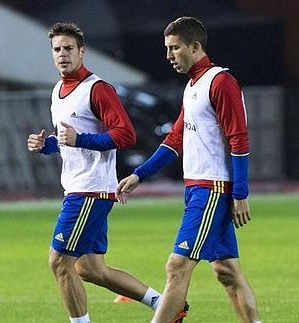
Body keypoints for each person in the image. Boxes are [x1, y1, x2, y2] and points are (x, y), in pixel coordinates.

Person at [27, 22, 176, 323]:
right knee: (90, 269)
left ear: (82, 51)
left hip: (89, 190)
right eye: (57, 49)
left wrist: (78, 140)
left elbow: (125, 134)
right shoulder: (58, 91)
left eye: (69, 48)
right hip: (79, 187)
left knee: (59, 262)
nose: (62, 54)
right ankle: (164, 304)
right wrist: (47, 145)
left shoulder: (97, 89)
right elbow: (71, 141)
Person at [116, 16, 261, 323]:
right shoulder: (193, 86)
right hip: (197, 188)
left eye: (175, 48)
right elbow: (174, 140)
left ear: (195, 47)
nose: (169, 56)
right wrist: (139, 174)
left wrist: (241, 192)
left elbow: (239, 138)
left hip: (211, 190)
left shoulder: (220, 82)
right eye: (167, 49)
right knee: (226, 272)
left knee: (177, 266)